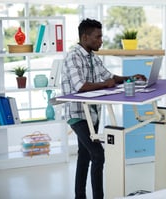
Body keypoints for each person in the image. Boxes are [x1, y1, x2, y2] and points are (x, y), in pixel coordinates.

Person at [61, 18, 146, 199]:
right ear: (85, 37)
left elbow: (110, 77)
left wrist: (132, 77)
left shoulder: (93, 57)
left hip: (92, 113)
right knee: (98, 154)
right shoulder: (72, 56)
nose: (101, 41)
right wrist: (104, 85)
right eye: (97, 37)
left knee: (85, 155)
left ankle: (79, 196)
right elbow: (80, 86)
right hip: (77, 114)